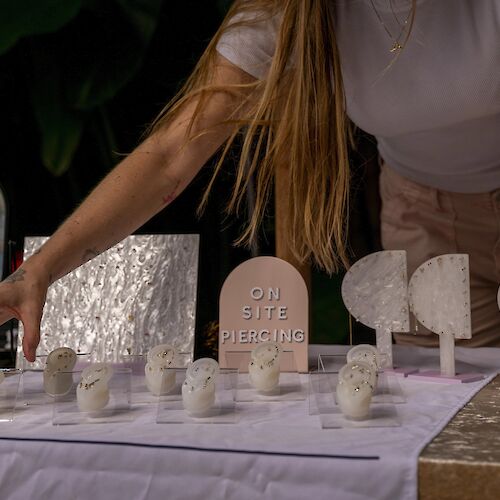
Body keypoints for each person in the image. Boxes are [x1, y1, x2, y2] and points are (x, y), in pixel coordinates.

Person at [1, 0, 499, 362]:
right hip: (425, 217)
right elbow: (171, 155)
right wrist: (37, 272)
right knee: (452, 413)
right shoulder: (285, 11)